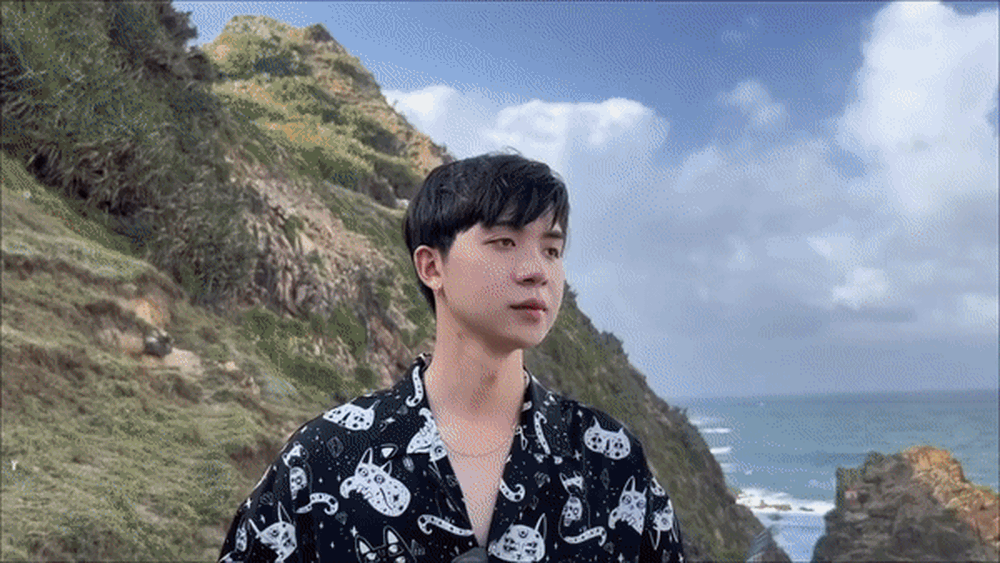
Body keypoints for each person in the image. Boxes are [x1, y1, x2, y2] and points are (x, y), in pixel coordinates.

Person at [218, 152, 685, 562]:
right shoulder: (326, 457)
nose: (537, 271)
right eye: (504, 242)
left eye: (552, 249)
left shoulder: (608, 459)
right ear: (431, 266)